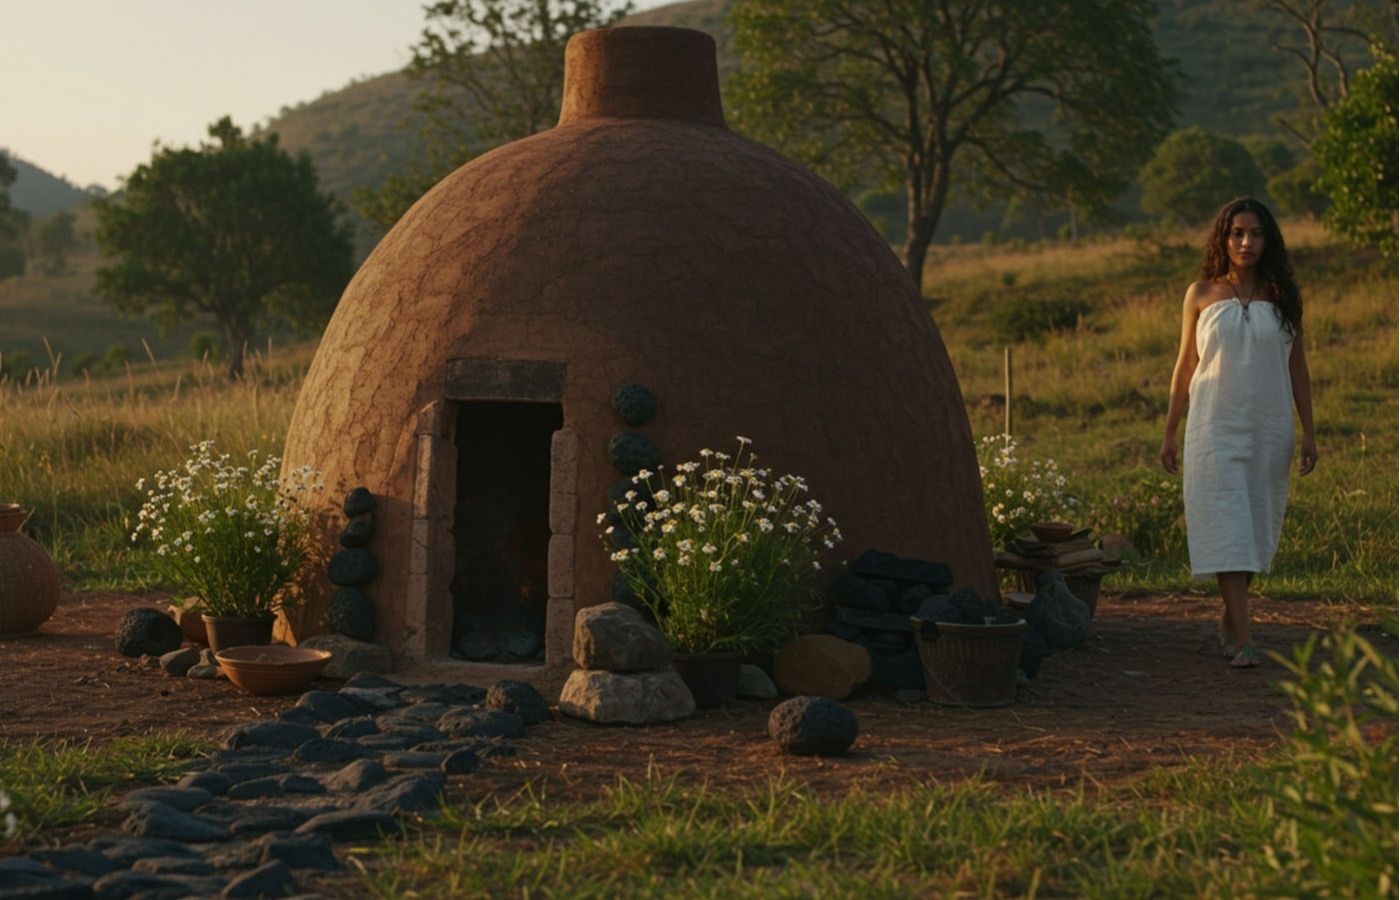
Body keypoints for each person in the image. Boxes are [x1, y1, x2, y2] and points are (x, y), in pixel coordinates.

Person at [1159, 197, 1317, 669]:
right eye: (1237, 233)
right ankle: (1245, 637)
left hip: (1268, 427)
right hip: (1213, 426)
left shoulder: (1283, 297)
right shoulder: (1201, 294)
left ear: (1268, 240)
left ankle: (1232, 615)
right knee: (1227, 524)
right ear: (1223, 239)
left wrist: (1310, 431)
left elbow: (1298, 367)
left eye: (1256, 234)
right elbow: (1186, 363)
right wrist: (1170, 432)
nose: (1246, 242)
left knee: (1254, 528)